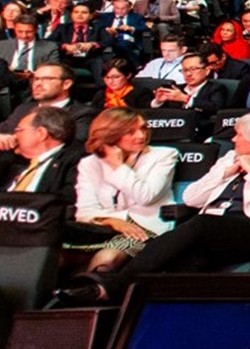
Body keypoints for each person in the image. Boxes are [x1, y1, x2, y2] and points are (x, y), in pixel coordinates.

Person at [56, 112, 250, 304]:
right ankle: (128, 304)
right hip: (215, 232)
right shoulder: (229, 157)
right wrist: (223, 173)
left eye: (240, 135)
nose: (233, 139)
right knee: (186, 264)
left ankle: (109, 287)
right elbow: (191, 198)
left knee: (201, 224)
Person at [70, 108, 180, 272]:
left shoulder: (164, 155)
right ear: (110, 135)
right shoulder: (90, 163)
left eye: (143, 128)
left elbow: (145, 196)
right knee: (57, 255)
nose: (141, 136)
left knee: (106, 260)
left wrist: (118, 166)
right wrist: (112, 221)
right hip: (101, 227)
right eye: (130, 132)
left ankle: (90, 295)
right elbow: (84, 210)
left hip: (144, 230)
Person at [0, 105, 84, 200]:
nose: (14, 135)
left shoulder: (76, 161)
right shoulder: (8, 163)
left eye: (19, 130)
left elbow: (64, 201)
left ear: (41, 133)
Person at [0, 63, 99, 140]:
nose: (37, 84)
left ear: (66, 84)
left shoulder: (82, 113)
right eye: (36, 79)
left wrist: (17, 140)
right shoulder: (23, 109)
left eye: (46, 79)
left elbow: (73, 147)